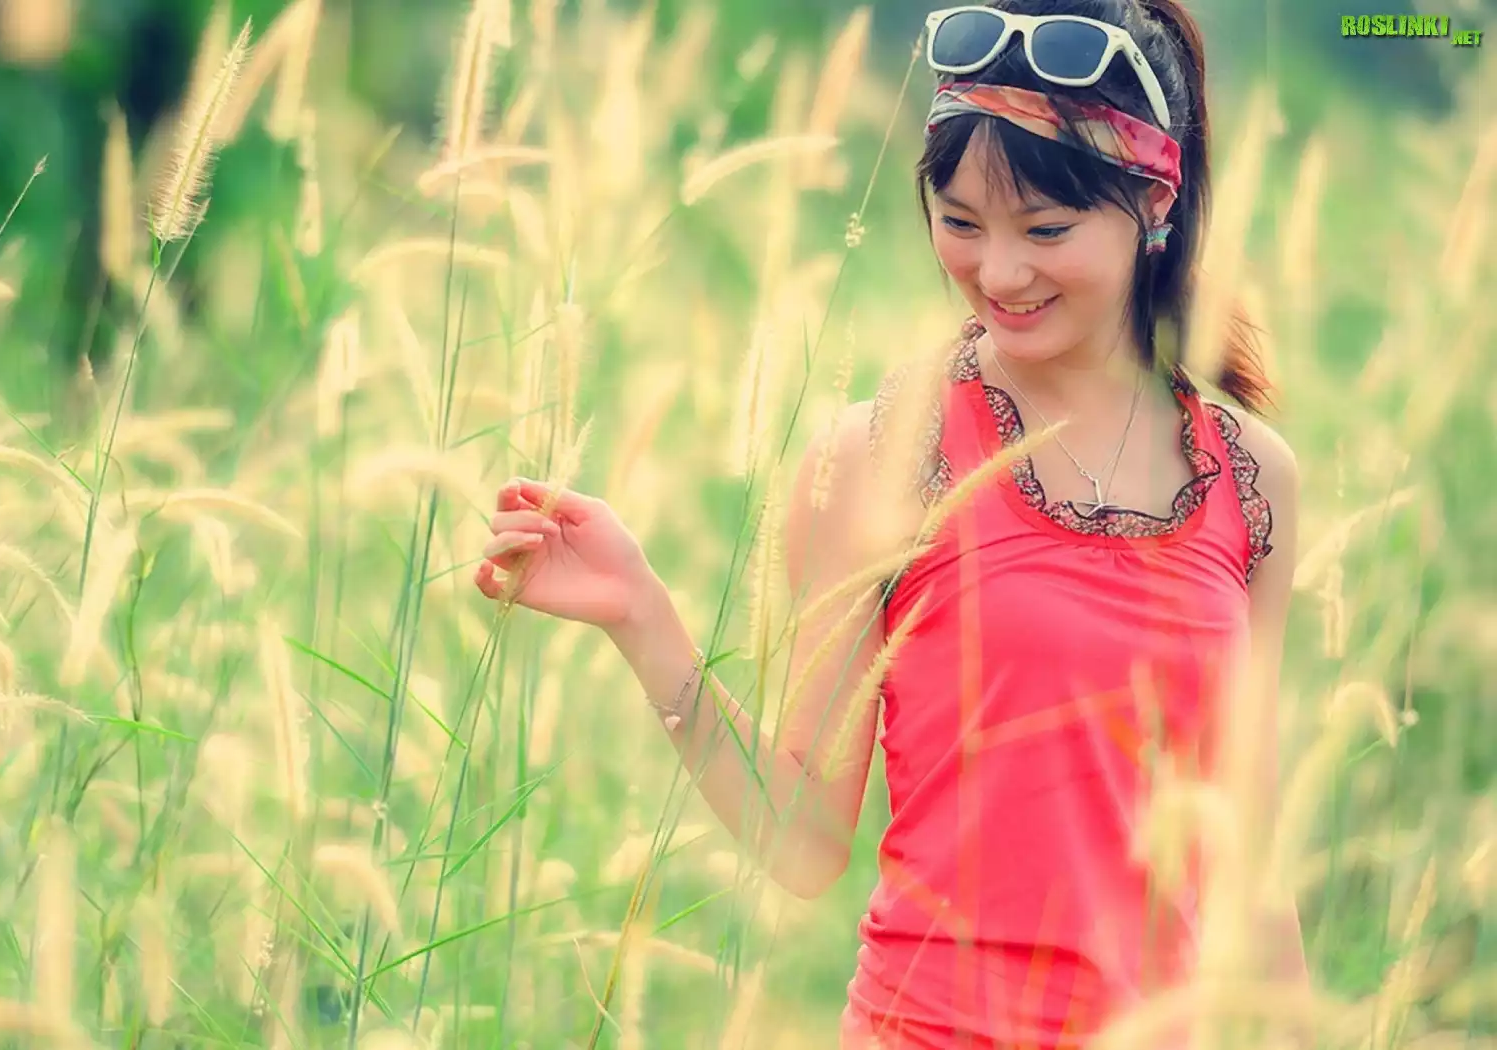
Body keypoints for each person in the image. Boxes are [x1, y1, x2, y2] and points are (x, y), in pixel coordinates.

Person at [472, 0, 1309, 1045]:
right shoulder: (877, 456)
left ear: (1154, 201)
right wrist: (641, 616)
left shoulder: (1250, 482)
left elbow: (1249, 858)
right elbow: (803, 842)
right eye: (960, 221)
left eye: (1046, 230)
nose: (998, 272)